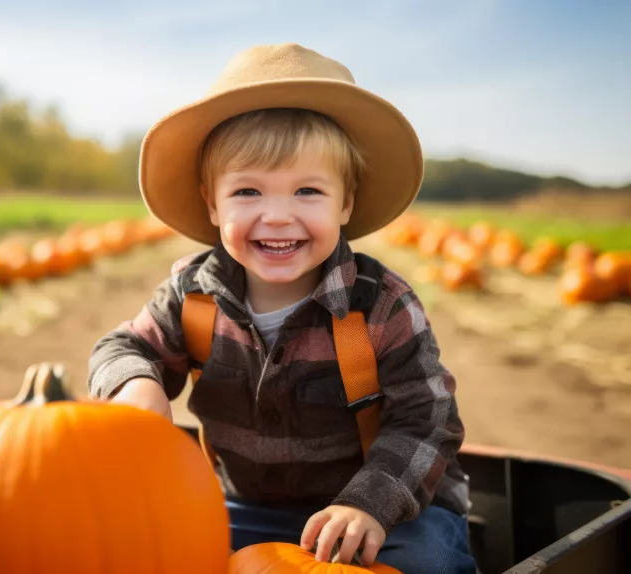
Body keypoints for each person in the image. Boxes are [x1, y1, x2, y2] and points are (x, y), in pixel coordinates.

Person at [87, 43, 477, 573]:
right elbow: (123, 346)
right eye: (248, 191)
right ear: (212, 203)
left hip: (385, 510)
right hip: (245, 506)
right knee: (142, 550)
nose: (276, 216)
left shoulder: (380, 305)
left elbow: (427, 420)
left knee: (426, 563)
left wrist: (370, 505)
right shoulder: (192, 294)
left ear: (345, 202)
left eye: (307, 192)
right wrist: (136, 383)